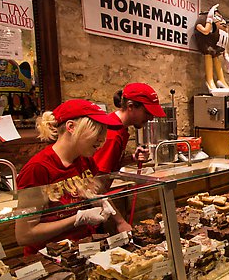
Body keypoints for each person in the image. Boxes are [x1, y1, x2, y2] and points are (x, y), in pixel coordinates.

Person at [15, 99, 132, 255]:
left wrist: (118, 220)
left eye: (104, 132)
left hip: (84, 249)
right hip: (50, 257)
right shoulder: (38, 169)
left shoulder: (85, 160)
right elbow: (24, 235)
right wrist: (77, 219)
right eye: (97, 131)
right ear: (71, 127)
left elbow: (95, 193)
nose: (102, 139)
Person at [93, 82, 166, 174]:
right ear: (130, 106)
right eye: (147, 113)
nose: (151, 118)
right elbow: (97, 177)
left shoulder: (121, 128)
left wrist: (132, 158)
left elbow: (111, 165)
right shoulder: (112, 134)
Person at [194, 3, 229, 90]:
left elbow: (222, 41)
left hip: (217, 48)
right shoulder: (201, 22)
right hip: (207, 47)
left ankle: (221, 80)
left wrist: (226, 55)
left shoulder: (221, 26)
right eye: (218, 17)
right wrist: (209, 19)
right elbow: (205, 31)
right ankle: (209, 80)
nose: (222, 22)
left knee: (216, 58)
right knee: (208, 55)